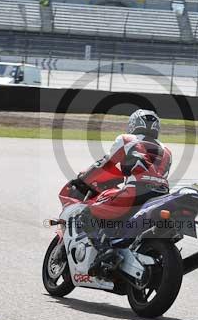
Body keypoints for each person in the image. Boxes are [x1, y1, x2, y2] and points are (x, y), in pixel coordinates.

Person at [59, 109, 172, 275]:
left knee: (86, 213)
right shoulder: (167, 150)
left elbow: (106, 164)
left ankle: (105, 252)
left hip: (135, 192)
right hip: (161, 195)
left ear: (133, 124)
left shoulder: (126, 140)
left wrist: (83, 179)